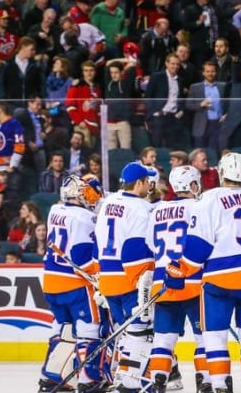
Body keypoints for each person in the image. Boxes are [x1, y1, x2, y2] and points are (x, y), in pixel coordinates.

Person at [165, 152, 241, 392]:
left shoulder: (209, 199)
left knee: (215, 336)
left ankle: (221, 385)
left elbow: (199, 247)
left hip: (219, 281)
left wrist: (181, 270)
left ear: (221, 172)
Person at [39, 175, 106, 392]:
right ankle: (88, 380)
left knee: (62, 330)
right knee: (89, 330)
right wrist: (100, 274)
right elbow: (82, 257)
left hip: (50, 281)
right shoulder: (86, 218)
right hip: (74, 285)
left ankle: (51, 378)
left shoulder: (54, 210)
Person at [146, 165, 210, 393]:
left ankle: (159, 382)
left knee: (163, 340)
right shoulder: (201, 207)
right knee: (204, 339)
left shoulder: (156, 211)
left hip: (163, 281)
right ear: (193, 185)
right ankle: (205, 382)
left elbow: (150, 245)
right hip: (193, 281)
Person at [94, 162, 157, 392]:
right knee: (143, 334)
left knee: (126, 334)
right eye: (147, 181)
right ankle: (132, 385)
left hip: (108, 280)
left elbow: (96, 243)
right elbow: (138, 248)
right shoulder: (143, 208)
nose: (150, 185)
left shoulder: (107, 203)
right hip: (131, 280)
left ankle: (122, 378)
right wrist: (145, 282)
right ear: (139, 182)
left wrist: (99, 278)